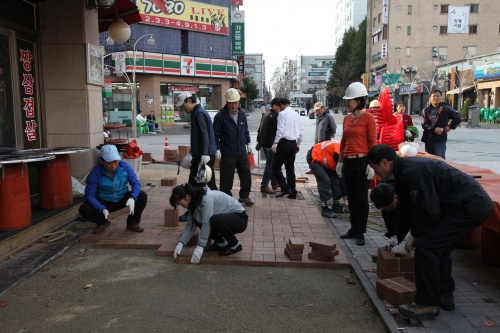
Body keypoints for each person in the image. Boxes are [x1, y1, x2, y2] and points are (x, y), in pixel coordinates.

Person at [366, 144, 493, 319]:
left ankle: (427, 304)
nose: (376, 174)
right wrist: (398, 237)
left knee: (427, 247)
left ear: (385, 162)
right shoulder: (403, 174)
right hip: (462, 206)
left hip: (470, 207)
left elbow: (429, 212)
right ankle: (444, 294)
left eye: (375, 168)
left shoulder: (413, 172)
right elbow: (407, 211)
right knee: (439, 249)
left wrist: (410, 241)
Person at [336, 82, 377, 246]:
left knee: (361, 199)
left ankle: (361, 231)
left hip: (362, 162)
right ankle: (353, 228)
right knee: (351, 198)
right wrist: (340, 162)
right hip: (348, 162)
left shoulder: (369, 118)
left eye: (350, 100)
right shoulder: (347, 118)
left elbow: (372, 142)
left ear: (360, 100)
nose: (347, 102)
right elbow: (343, 141)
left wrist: (371, 164)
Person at [170, 183, 248, 263]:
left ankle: (234, 244)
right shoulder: (193, 203)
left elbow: (206, 222)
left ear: (187, 196)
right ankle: (220, 243)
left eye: (182, 204)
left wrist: (200, 246)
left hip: (239, 219)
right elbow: (191, 225)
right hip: (225, 218)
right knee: (199, 220)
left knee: (214, 220)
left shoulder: (205, 199)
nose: (183, 207)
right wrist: (181, 243)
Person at [79, 145, 147, 234]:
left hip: (122, 198)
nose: (113, 166)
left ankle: (132, 223)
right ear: (102, 161)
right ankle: (102, 222)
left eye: (115, 162)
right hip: (104, 201)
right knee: (84, 209)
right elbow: (89, 195)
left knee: (142, 196)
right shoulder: (95, 173)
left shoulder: (125, 167)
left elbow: (135, 183)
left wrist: (133, 197)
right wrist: (101, 208)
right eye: (109, 162)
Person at [177, 91, 218, 221]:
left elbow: (205, 134)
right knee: (207, 182)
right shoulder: (198, 112)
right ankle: (217, 207)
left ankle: (191, 211)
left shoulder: (199, 114)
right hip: (202, 154)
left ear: (189, 101)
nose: (183, 108)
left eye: (183, 105)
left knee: (193, 184)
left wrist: (205, 153)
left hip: (203, 156)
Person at [213, 88, 254, 206]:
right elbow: (215, 134)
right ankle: (226, 199)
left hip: (241, 151)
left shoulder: (241, 114)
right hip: (227, 152)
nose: (234, 105)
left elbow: (245, 129)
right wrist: (217, 148)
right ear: (227, 102)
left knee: (246, 175)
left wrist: (248, 142)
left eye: (236, 102)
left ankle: (244, 196)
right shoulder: (220, 116)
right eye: (231, 103)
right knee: (226, 178)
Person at [272, 98, 304, 199]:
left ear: (281, 104)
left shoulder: (282, 114)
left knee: (275, 167)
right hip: (293, 143)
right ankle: (292, 192)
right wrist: (298, 144)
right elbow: (301, 131)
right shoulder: (296, 114)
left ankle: (285, 188)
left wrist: (275, 143)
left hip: (284, 142)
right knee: (290, 168)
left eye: (279, 106)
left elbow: (280, 129)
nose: (278, 108)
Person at [307, 140, 345, 218]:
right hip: (314, 156)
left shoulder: (343, 152)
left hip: (326, 157)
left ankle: (336, 205)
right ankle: (325, 208)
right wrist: (345, 194)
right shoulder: (340, 154)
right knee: (325, 181)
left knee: (335, 181)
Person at [421, 90, 461, 159]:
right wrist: (434, 129)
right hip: (428, 139)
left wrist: (450, 126)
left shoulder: (446, 109)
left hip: (440, 140)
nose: (436, 98)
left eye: (438, 96)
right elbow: (424, 124)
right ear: (430, 98)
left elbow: (458, 117)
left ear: (441, 98)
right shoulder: (426, 110)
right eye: (434, 96)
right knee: (429, 161)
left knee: (440, 160)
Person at [256, 97, 280, 194]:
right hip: (270, 144)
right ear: (274, 106)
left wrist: (259, 141)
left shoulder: (266, 114)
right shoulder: (274, 116)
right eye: (279, 106)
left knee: (271, 164)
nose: (280, 108)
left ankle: (274, 183)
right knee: (269, 166)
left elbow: (259, 129)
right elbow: (278, 132)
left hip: (264, 143)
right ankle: (264, 185)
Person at [306, 101, 337, 176]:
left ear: (322, 108)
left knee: (324, 157)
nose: (317, 111)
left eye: (318, 109)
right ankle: (314, 168)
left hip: (325, 140)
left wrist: (332, 133)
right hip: (318, 140)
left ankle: (325, 170)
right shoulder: (318, 117)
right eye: (316, 110)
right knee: (313, 155)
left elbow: (334, 127)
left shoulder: (328, 116)